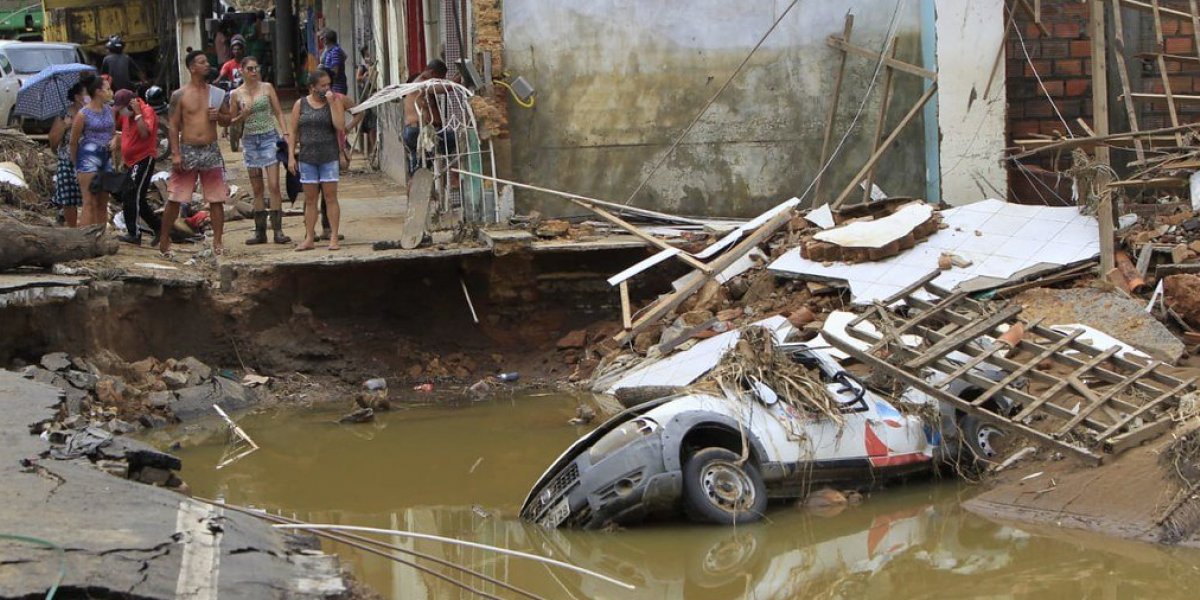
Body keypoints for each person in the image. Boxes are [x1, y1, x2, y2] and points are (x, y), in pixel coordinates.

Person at [164, 50, 234, 257]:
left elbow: (228, 120)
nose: (207, 65)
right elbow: (173, 126)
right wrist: (175, 153)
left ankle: (218, 241)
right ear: (192, 68)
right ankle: (164, 238)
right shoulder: (180, 95)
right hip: (188, 149)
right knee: (176, 197)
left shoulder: (216, 93)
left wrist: (219, 116)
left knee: (216, 198)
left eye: (206, 62)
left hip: (210, 149)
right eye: (202, 62)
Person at [230, 55, 291, 245]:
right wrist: (243, 115)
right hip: (250, 140)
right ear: (242, 71)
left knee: (274, 185)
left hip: (269, 137)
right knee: (257, 189)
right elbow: (232, 122)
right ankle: (260, 231)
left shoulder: (267, 88)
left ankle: (278, 230)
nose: (254, 72)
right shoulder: (236, 94)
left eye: (256, 68)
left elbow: (278, 112)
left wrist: (285, 133)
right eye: (250, 69)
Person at [288, 70, 345, 251]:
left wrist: (332, 103)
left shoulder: (334, 101)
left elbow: (340, 125)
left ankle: (333, 237)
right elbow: (293, 132)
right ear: (313, 87)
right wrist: (291, 156)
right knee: (310, 199)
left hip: (328, 156)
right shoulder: (301, 104)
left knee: (330, 197)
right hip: (307, 157)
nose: (327, 88)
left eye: (329, 84)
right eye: (323, 85)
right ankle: (309, 237)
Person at [113, 89, 163, 246]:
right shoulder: (126, 116)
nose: (121, 112)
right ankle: (159, 227)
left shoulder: (146, 112)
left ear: (131, 104)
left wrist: (138, 114)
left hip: (143, 158)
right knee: (137, 199)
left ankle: (134, 233)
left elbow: (144, 134)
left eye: (122, 108)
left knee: (131, 195)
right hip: (132, 161)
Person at [69, 72, 116, 228]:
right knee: (89, 201)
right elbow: (73, 141)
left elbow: (113, 132)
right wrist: (76, 164)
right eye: (107, 89)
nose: (111, 92)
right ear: (98, 92)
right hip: (88, 158)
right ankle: (84, 236)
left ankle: (101, 235)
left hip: (106, 157)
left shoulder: (109, 110)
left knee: (103, 202)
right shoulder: (83, 114)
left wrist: (115, 140)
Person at [48, 82, 86, 227]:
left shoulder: (90, 113)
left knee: (88, 197)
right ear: (77, 97)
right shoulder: (64, 114)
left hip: (86, 161)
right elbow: (53, 141)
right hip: (67, 160)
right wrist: (65, 126)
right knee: (68, 199)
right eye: (85, 93)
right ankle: (72, 229)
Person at [354, 44, 378, 162]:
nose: (369, 57)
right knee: (369, 126)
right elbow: (358, 78)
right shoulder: (363, 67)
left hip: (373, 97)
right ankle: (371, 151)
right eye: (367, 55)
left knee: (372, 125)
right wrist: (365, 76)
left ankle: (373, 151)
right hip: (366, 99)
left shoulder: (374, 66)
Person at [320, 30, 348, 95]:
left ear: (326, 39)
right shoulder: (329, 50)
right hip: (332, 86)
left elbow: (335, 71)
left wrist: (323, 69)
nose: (322, 41)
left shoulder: (335, 51)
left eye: (323, 38)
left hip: (337, 87)